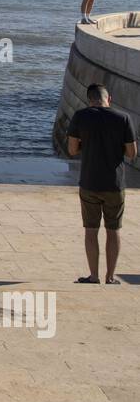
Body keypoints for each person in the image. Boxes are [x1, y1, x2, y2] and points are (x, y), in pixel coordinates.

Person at [67, 84, 137, 284]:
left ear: (89, 100)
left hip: (89, 182)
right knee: (113, 230)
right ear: (109, 99)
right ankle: (110, 277)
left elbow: (72, 150)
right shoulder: (123, 118)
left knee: (91, 230)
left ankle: (94, 276)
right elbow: (132, 153)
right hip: (115, 184)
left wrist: (86, 144)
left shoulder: (81, 116)